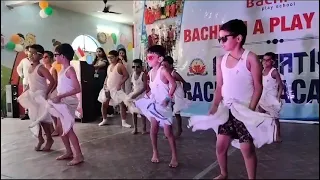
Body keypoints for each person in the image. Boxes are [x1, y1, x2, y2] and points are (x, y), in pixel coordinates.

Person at [188, 19, 276, 179]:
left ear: (238, 38)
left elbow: (258, 87)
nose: (221, 42)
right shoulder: (221, 60)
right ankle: (223, 173)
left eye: (224, 38)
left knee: (246, 149)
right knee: (220, 145)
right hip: (226, 110)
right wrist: (215, 105)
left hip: (244, 109)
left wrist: (250, 110)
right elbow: (220, 86)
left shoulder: (250, 58)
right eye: (219, 39)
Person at [135, 45, 178, 168]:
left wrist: (168, 98)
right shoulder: (150, 72)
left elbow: (173, 85)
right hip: (154, 104)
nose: (148, 59)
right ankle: (155, 152)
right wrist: (148, 95)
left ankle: (174, 156)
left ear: (159, 59)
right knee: (153, 129)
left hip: (164, 106)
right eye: (147, 57)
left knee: (168, 132)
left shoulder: (163, 71)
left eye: (151, 57)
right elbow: (154, 89)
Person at [48, 43, 84, 166]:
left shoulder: (70, 70)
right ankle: (68, 151)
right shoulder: (62, 70)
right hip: (62, 102)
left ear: (62, 56)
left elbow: (77, 88)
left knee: (68, 129)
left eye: (56, 55)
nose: (54, 57)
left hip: (68, 103)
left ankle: (78, 155)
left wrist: (60, 96)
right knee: (60, 129)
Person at [17, 44, 55, 151]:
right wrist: (24, 93)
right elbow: (30, 83)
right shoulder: (29, 67)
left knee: (43, 120)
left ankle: (49, 139)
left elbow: (52, 81)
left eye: (34, 53)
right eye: (29, 52)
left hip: (41, 96)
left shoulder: (41, 68)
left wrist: (46, 94)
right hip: (32, 96)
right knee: (34, 119)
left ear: (40, 56)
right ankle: (40, 139)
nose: (31, 55)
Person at [97, 50, 131, 128]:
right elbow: (108, 76)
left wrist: (120, 83)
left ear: (116, 57)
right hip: (108, 88)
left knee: (122, 104)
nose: (110, 59)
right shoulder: (109, 66)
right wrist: (105, 84)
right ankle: (104, 119)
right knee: (104, 103)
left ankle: (124, 121)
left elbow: (126, 75)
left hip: (116, 88)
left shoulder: (119, 65)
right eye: (109, 58)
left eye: (111, 58)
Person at [161, 56, 190, 138]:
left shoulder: (174, 73)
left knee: (176, 113)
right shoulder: (164, 73)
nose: (163, 67)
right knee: (168, 112)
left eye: (165, 66)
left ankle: (179, 130)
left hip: (177, 94)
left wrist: (187, 93)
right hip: (170, 93)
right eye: (162, 65)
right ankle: (169, 132)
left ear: (170, 65)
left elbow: (184, 82)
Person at [258, 52, 283, 142]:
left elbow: (281, 85)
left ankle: (278, 135)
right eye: (263, 59)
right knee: (261, 117)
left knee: (275, 119)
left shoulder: (274, 72)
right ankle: (262, 135)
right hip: (262, 98)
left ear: (272, 61)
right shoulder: (262, 71)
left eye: (267, 60)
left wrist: (278, 98)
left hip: (271, 99)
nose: (264, 62)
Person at [125, 59, 148, 135]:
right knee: (133, 112)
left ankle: (144, 128)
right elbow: (133, 85)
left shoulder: (143, 75)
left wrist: (137, 94)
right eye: (133, 66)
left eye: (137, 67)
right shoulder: (132, 74)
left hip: (142, 95)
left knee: (142, 113)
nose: (135, 68)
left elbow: (144, 87)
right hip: (134, 95)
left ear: (141, 67)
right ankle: (135, 128)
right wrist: (131, 94)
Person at [93, 47, 114, 118]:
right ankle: (99, 111)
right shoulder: (95, 60)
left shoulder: (104, 60)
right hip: (96, 79)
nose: (98, 53)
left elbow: (98, 66)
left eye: (99, 51)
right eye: (97, 51)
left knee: (105, 95)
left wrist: (90, 66)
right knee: (98, 95)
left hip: (102, 78)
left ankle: (108, 111)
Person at [43, 51, 59, 136]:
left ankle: (57, 129)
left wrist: (50, 91)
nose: (44, 59)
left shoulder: (53, 69)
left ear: (51, 58)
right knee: (48, 112)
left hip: (52, 91)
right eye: (43, 57)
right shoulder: (43, 69)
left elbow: (55, 82)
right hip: (46, 91)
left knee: (54, 112)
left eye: (46, 57)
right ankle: (51, 129)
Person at [17, 45, 31, 120]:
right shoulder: (24, 60)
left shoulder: (36, 60)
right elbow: (18, 68)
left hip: (34, 82)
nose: (29, 52)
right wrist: (21, 74)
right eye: (28, 51)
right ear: (26, 52)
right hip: (26, 81)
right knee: (26, 97)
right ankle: (26, 113)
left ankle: (35, 112)